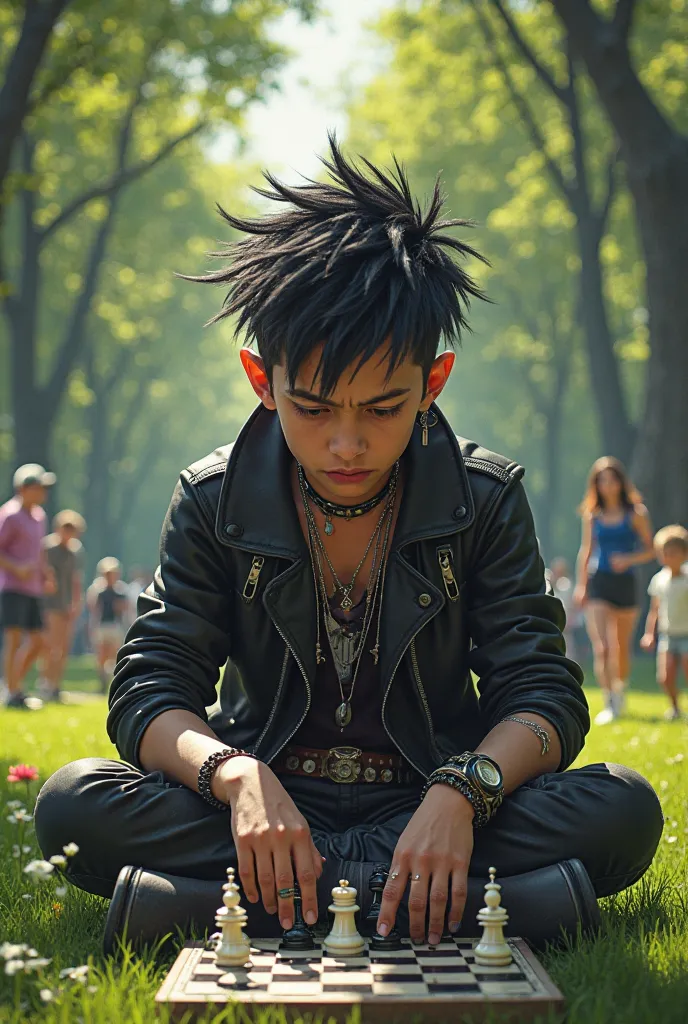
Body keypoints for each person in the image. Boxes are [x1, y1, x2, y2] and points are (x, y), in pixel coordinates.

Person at [34, 140, 662, 953]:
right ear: (263, 382)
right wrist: (236, 776)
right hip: (262, 803)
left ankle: (225, 904)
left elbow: (542, 692)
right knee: (70, 803)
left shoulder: (485, 498)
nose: (346, 443)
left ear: (433, 384)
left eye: (383, 407)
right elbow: (151, 689)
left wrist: (462, 793)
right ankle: (482, 904)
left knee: (625, 808)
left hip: (432, 794)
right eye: (314, 408)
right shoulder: (212, 496)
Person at [574, 457, 654, 725]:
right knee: (603, 647)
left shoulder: (637, 513)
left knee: (620, 647)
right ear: (596, 485)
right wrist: (582, 585)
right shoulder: (592, 515)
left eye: (612, 479)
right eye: (602, 480)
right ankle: (609, 701)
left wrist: (628, 559)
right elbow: (586, 551)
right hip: (599, 581)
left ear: (621, 482)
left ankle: (620, 690)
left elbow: (651, 549)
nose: (608, 485)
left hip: (625, 583)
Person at [0, 464, 57, 710]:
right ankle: (12, 692)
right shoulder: (9, 515)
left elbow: (39, 550)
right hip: (12, 586)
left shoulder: (40, 516)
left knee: (40, 642)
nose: (44, 492)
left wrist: (46, 573)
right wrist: (15, 567)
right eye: (39, 487)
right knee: (13, 639)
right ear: (24, 488)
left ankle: (14, 686)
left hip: (33, 588)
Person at [641, 525, 688, 721]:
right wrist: (649, 634)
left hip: (686, 634)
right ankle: (676, 708)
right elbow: (655, 610)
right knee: (665, 677)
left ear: (684, 554)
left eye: (673, 553)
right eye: (665, 553)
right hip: (667, 634)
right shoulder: (659, 580)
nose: (669, 557)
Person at [40, 510, 86, 702]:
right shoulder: (47, 547)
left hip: (67, 604)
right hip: (49, 603)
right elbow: (41, 571)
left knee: (64, 647)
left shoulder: (76, 550)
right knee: (51, 645)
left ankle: (56, 685)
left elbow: (76, 578)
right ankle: (46, 683)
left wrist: (76, 602)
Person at [86, 557, 129, 694]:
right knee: (101, 654)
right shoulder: (98, 590)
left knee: (114, 654)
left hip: (115, 625)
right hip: (102, 625)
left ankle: (113, 681)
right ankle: (103, 682)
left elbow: (125, 609)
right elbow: (94, 610)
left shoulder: (121, 590)